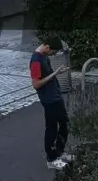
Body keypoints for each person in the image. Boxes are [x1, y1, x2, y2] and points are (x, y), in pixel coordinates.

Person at [30, 40, 69, 169]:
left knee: (64, 123)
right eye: (52, 51)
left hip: (55, 96)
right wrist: (55, 73)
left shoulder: (44, 56)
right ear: (47, 46)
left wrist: (57, 73)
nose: (53, 54)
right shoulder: (36, 61)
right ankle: (51, 159)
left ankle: (59, 152)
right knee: (51, 128)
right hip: (48, 99)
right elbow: (36, 84)